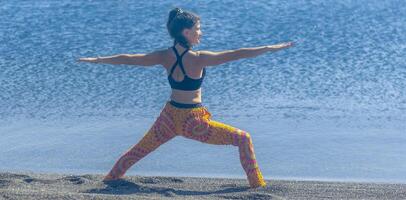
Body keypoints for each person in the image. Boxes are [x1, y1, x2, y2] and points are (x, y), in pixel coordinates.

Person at [78, 7, 294, 189]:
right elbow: (238, 53)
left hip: (169, 118)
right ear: (186, 32)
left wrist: (97, 60)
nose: (201, 33)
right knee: (243, 139)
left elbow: (130, 59)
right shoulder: (199, 59)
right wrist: (270, 48)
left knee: (137, 151)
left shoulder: (163, 56)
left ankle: (111, 178)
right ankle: (257, 186)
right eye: (198, 29)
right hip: (194, 122)